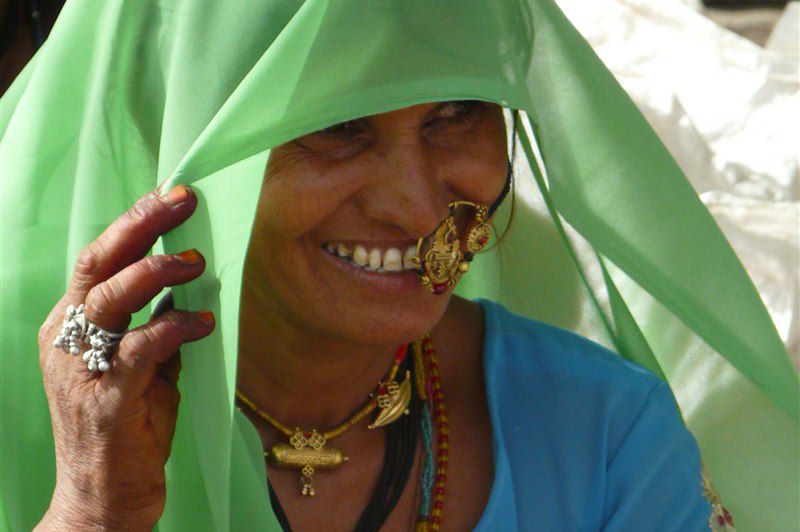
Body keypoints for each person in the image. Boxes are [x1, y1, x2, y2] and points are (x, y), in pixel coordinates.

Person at [3, 1, 797, 531]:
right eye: (337, 125)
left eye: (455, 114)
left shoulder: (605, 436)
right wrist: (86, 512)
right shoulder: (31, 420)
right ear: (177, 134)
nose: (417, 208)